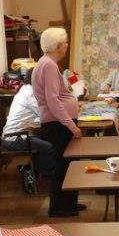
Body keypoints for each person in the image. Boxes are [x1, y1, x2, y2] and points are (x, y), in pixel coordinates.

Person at [31, 27, 86, 217]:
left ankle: (69, 204)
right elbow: (53, 100)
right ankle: (58, 207)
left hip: (58, 123)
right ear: (57, 45)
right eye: (65, 43)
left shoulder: (46, 63)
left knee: (69, 164)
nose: (67, 46)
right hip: (58, 125)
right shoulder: (49, 66)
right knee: (63, 165)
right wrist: (71, 126)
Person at [0, 83, 55, 179]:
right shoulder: (29, 94)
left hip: (16, 135)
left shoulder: (25, 90)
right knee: (49, 147)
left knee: (50, 139)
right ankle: (36, 172)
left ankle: (36, 170)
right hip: (15, 138)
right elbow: (44, 112)